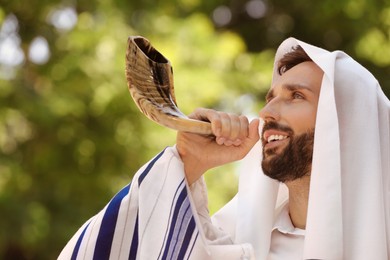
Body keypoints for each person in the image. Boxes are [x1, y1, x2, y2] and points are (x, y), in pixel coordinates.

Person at [59, 38, 390, 260]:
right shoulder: (235, 244)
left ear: (345, 121)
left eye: (296, 96)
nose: (267, 113)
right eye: (270, 98)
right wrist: (190, 162)